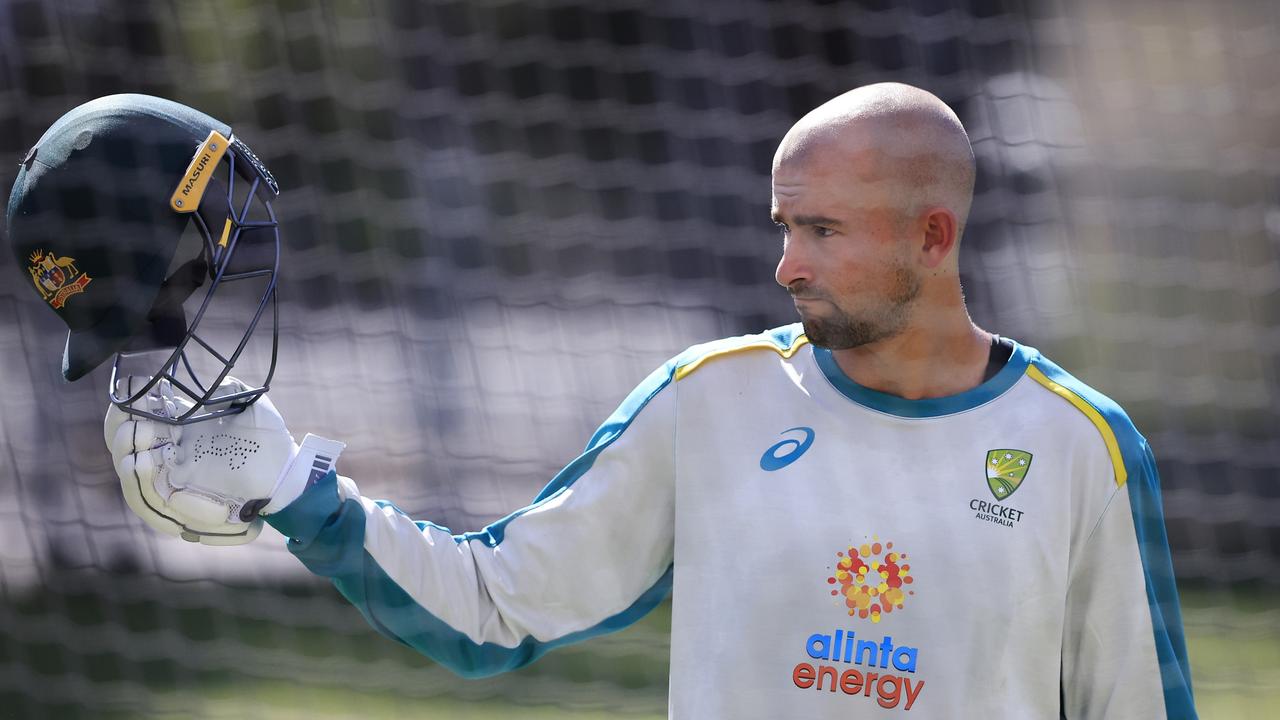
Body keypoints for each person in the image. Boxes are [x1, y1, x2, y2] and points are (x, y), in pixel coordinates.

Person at [22, 85, 1197, 718]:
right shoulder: (707, 403)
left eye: (821, 230)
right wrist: (295, 496)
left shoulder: (1079, 444)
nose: (785, 264)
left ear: (931, 237)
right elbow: (495, 605)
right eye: (780, 223)